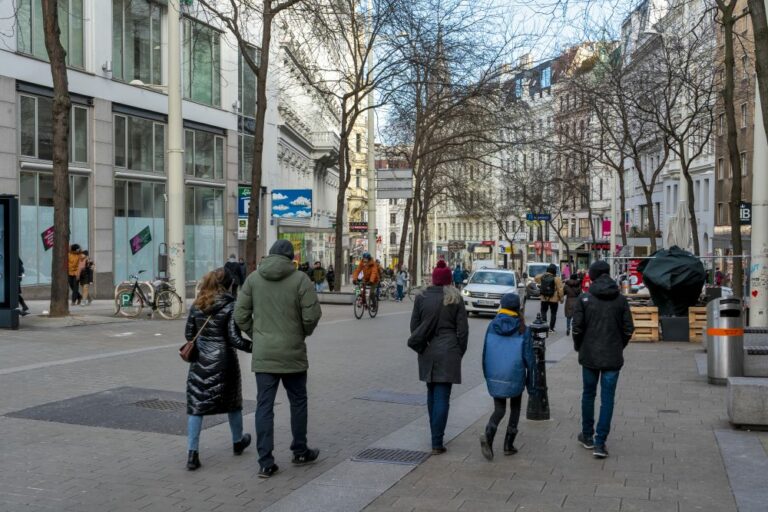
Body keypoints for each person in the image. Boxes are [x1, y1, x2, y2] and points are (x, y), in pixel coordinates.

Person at [234, 240, 322, 478]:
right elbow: (312, 314)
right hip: (292, 352)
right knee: (298, 402)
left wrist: (257, 334)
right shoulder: (301, 280)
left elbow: (240, 314)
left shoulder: (253, 279)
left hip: (264, 355)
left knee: (264, 406)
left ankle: (265, 462)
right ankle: (300, 450)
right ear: (290, 257)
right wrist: (301, 332)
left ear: (269, 255)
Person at [185, 268, 253, 471]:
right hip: (225, 361)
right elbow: (235, 339)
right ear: (228, 285)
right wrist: (255, 347)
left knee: (197, 406)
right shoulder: (230, 305)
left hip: (200, 362)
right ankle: (237, 442)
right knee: (233, 403)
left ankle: (192, 454)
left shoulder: (197, 303)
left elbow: (189, 334)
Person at [572, 260, 634, 459]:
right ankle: (600, 443)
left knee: (588, 394)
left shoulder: (584, 299)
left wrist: (579, 346)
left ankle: (587, 436)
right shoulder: (621, 300)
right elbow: (628, 329)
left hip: (589, 355)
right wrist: (618, 345)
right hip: (612, 356)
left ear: (592, 275)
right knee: (608, 399)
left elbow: (577, 328)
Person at [410, 260, 469, 454]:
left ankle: (434, 434)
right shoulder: (456, 299)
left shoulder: (421, 298)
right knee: (443, 395)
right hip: (449, 350)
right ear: (449, 281)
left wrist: (422, 348)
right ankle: (437, 441)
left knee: (431, 391)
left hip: (427, 350)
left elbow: (414, 327)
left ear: (433, 279)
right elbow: (463, 331)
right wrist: (458, 352)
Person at [479, 293, 534, 460]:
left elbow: (485, 353)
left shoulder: (492, 325)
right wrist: (531, 383)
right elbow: (529, 358)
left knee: (499, 409)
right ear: (518, 308)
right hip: (515, 373)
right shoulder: (523, 328)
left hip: (496, 374)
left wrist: (487, 374)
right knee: (515, 408)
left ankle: (488, 435)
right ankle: (508, 445)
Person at [535, 264, 564, 332]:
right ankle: (551, 328)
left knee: (543, 311)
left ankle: (544, 326)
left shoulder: (543, 277)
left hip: (544, 298)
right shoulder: (557, 278)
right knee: (553, 313)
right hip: (554, 299)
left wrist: (545, 273)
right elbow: (560, 289)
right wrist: (561, 299)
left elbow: (536, 278)